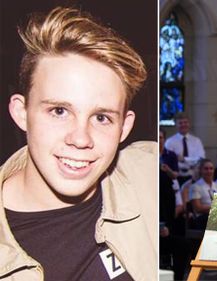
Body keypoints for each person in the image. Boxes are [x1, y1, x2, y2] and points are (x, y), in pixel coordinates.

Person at [0, 7, 157, 280]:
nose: (81, 139)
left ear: (125, 127)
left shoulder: (146, 176)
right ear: (21, 113)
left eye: (101, 117)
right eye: (59, 111)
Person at [165, 112, 206, 185]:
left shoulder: (196, 141)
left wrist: (184, 159)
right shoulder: (170, 142)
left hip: (194, 176)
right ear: (176, 125)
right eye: (180, 123)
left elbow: (201, 159)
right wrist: (192, 160)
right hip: (176, 177)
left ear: (189, 124)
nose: (183, 125)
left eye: (185, 122)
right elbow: (169, 162)